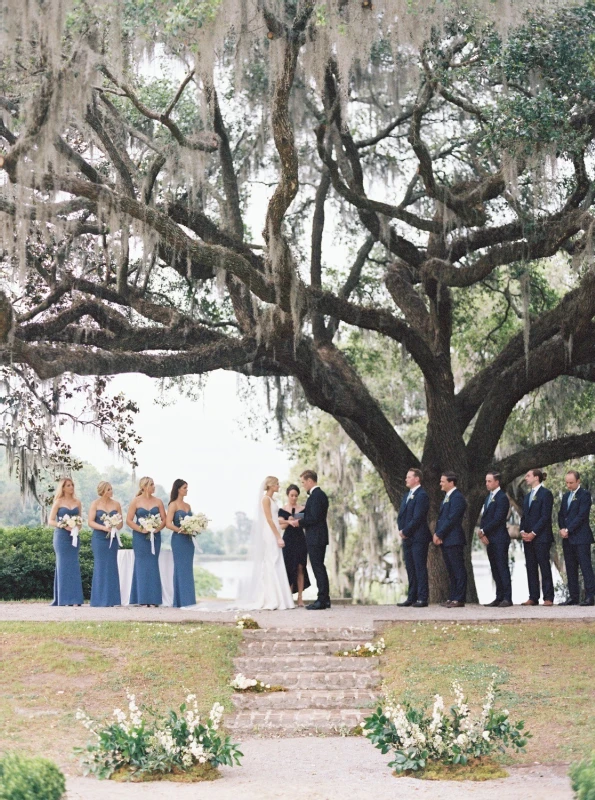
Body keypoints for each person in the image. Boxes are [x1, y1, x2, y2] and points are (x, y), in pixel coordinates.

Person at [240, 476, 295, 610]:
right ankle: (272, 599)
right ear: (270, 485)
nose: (279, 486)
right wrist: (278, 537)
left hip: (274, 531)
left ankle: (281, 598)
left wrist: (287, 522)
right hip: (270, 533)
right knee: (271, 561)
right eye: (277, 484)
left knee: (276, 562)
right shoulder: (265, 499)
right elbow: (269, 520)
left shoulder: (272, 500)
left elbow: (276, 519)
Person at [288, 470, 330, 610]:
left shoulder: (317, 496)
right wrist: (296, 517)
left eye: (303, 482)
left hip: (316, 537)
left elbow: (314, 518)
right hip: (317, 537)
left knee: (318, 567)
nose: (303, 485)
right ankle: (326, 599)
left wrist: (298, 523)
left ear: (310, 481)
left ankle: (322, 600)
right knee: (319, 567)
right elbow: (309, 513)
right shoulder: (316, 495)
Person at [126, 476, 166, 607]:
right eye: (152, 485)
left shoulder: (159, 501)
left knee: (153, 564)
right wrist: (141, 529)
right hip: (140, 537)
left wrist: (156, 529)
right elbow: (129, 520)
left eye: (154, 484)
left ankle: (154, 599)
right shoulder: (135, 501)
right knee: (141, 565)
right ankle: (141, 599)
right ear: (144, 487)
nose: (154, 487)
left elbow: (164, 520)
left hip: (155, 537)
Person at [558, 470, 595, 606]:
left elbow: (582, 515)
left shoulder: (585, 495)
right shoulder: (566, 496)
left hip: (581, 537)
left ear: (578, 481)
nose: (568, 485)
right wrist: (562, 528)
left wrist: (569, 529)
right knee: (570, 568)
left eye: (571, 483)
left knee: (585, 567)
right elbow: (561, 514)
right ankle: (573, 597)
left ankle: (590, 596)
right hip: (567, 538)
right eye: (567, 482)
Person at [396, 468, 431, 608]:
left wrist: (406, 530)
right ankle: (412, 596)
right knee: (410, 567)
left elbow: (418, 517)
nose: (406, 479)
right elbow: (401, 515)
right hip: (407, 537)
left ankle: (422, 597)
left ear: (417, 479)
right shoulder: (406, 495)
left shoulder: (422, 495)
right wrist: (401, 530)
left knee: (419, 567)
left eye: (409, 477)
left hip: (419, 536)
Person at [519, 469, 554, 606]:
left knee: (544, 566)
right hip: (527, 538)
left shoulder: (546, 494)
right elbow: (524, 516)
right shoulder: (527, 496)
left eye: (528, 476)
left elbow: (545, 517)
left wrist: (533, 533)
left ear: (536, 478)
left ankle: (548, 597)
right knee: (531, 567)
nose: (525, 478)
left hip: (541, 537)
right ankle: (533, 597)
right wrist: (523, 531)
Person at [434, 472, 468, 608]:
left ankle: (459, 598)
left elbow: (452, 519)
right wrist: (438, 534)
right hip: (446, 539)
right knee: (451, 570)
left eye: (443, 481)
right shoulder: (447, 497)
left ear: (451, 482)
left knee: (458, 569)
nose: (440, 484)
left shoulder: (458, 498)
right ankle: (453, 596)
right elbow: (442, 519)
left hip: (454, 538)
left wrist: (439, 533)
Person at [49, 477, 84, 606]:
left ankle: (75, 599)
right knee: (63, 565)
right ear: (63, 487)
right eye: (68, 485)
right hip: (61, 537)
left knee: (74, 566)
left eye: (72, 485)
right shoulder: (58, 502)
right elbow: (51, 520)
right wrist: (63, 525)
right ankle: (63, 599)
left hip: (74, 537)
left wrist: (76, 527)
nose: (71, 487)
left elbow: (80, 520)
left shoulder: (77, 502)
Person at [479, 471, 512, 607]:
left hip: (499, 538)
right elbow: (485, 518)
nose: (487, 484)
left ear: (497, 482)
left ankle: (507, 597)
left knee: (502, 567)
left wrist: (483, 531)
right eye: (486, 481)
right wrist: (484, 534)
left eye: (489, 481)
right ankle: (498, 596)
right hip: (490, 539)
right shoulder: (488, 497)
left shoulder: (502, 497)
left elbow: (498, 519)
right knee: (494, 568)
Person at [88, 481, 123, 607]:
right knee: (100, 566)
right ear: (102, 491)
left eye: (111, 489)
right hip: (99, 539)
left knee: (112, 566)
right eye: (109, 489)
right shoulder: (95, 504)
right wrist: (103, 528)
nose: (111, 491)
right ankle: (99, 599)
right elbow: (90, 522)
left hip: (112, 539)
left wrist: (114, 526)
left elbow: (121, 523)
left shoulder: (116, 504)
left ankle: (112, 599)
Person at [278, 483, 311, 607]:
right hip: (288, 541)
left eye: (296, 496)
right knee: (288, 567)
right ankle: (288, 596)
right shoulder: (282, 510)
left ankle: (300, 598)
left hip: (300, 540)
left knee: (300, 567)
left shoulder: (302, 509)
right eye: (292, 495)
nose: (294, 498)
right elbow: (281, 526)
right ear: (287, 495)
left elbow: (306, 523)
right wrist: (289, 521)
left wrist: (299, 521)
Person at [166, 478, 197, 608]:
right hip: (178, 540)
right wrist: (180, 530)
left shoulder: (188, 506)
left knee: (188, 569)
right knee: (180, 568)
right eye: (184, 487)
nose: (186, 490)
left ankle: (189, 600)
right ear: (178, 489)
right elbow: (168, 524)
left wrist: (194, 528)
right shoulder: (173, 505)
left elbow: (192, 522)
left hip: (189, 541)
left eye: (187, 487)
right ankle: (180, 601)